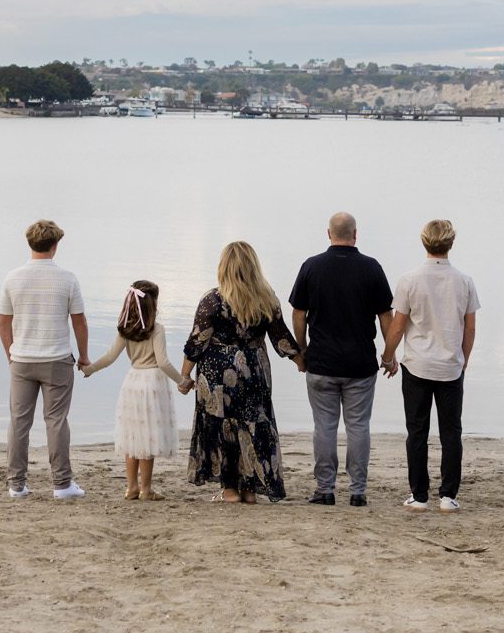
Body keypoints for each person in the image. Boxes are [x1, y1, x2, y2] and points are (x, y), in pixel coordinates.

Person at [182, 241, 302, 504]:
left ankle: (229, 490)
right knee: (253, 425)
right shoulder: (267, 298)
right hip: (254, 369)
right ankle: (250, 489)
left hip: (217, 373)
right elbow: (281, 338)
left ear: (223, 267)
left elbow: (197, 341)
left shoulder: (212, 299)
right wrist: (301, 362)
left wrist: (184, 376)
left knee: (222, 426)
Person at [288, 211, 392, 507]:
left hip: (321, 362)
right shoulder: (371, 268)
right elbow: (387, 315)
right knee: (359, 426)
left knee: (324, 426)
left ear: (328, 234)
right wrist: (389, 355)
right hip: (360, 364)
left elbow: (298, 313)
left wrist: (301, 348)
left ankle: (325, 488)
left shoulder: (312, 266)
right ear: (355, 234)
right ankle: (358, 491)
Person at [381, 218, 480, 513]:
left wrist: (387, 356)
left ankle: (420, 495)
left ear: (424, 242)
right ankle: (448, 495)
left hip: (417, 366)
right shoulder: (464, 281)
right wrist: (464, 360)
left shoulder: (409, 280)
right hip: (450, 366)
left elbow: (398, 327)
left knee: (417, 431)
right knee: (451, 432)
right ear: (451, 243)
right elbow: (470, 328)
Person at [0, 219, 90, 501]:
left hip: (22, 360)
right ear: (56, 245)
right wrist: (84, 356)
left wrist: (11, 355)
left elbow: (3, 324)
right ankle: (62, 485)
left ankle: (17, 485)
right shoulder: (68, 278)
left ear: (30, 244)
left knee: (18, 422)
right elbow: (79, 323)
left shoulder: (12, 277)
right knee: (57, 421)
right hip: (57, 359)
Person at [82, 280, 189, 501]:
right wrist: (182, 381)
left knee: (133, 437)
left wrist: (90, 369)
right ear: (153, 304)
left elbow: (110, 357)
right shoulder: (156, 329)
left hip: (132, 383)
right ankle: (146, 489)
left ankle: (131, 487)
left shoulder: (125, 329)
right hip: (152, 385)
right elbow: (163, 362)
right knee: (148, 438)